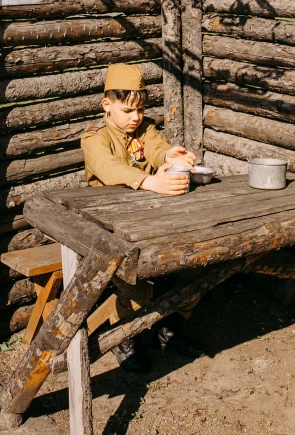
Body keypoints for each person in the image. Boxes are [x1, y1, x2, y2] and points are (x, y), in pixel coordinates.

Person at [81, 62, 204, 371]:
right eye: (127, 111)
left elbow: (156, 147)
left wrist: (171, 156)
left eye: (140, 109)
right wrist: (151, 182)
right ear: (107, 105)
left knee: (194, 269)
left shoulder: (144, 127)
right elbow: (107, 167)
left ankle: (169, 329)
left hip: (150, 223)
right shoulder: (94, 137)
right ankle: (121, 335)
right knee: (138, 290)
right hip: (109, 230)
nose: (135, 117)